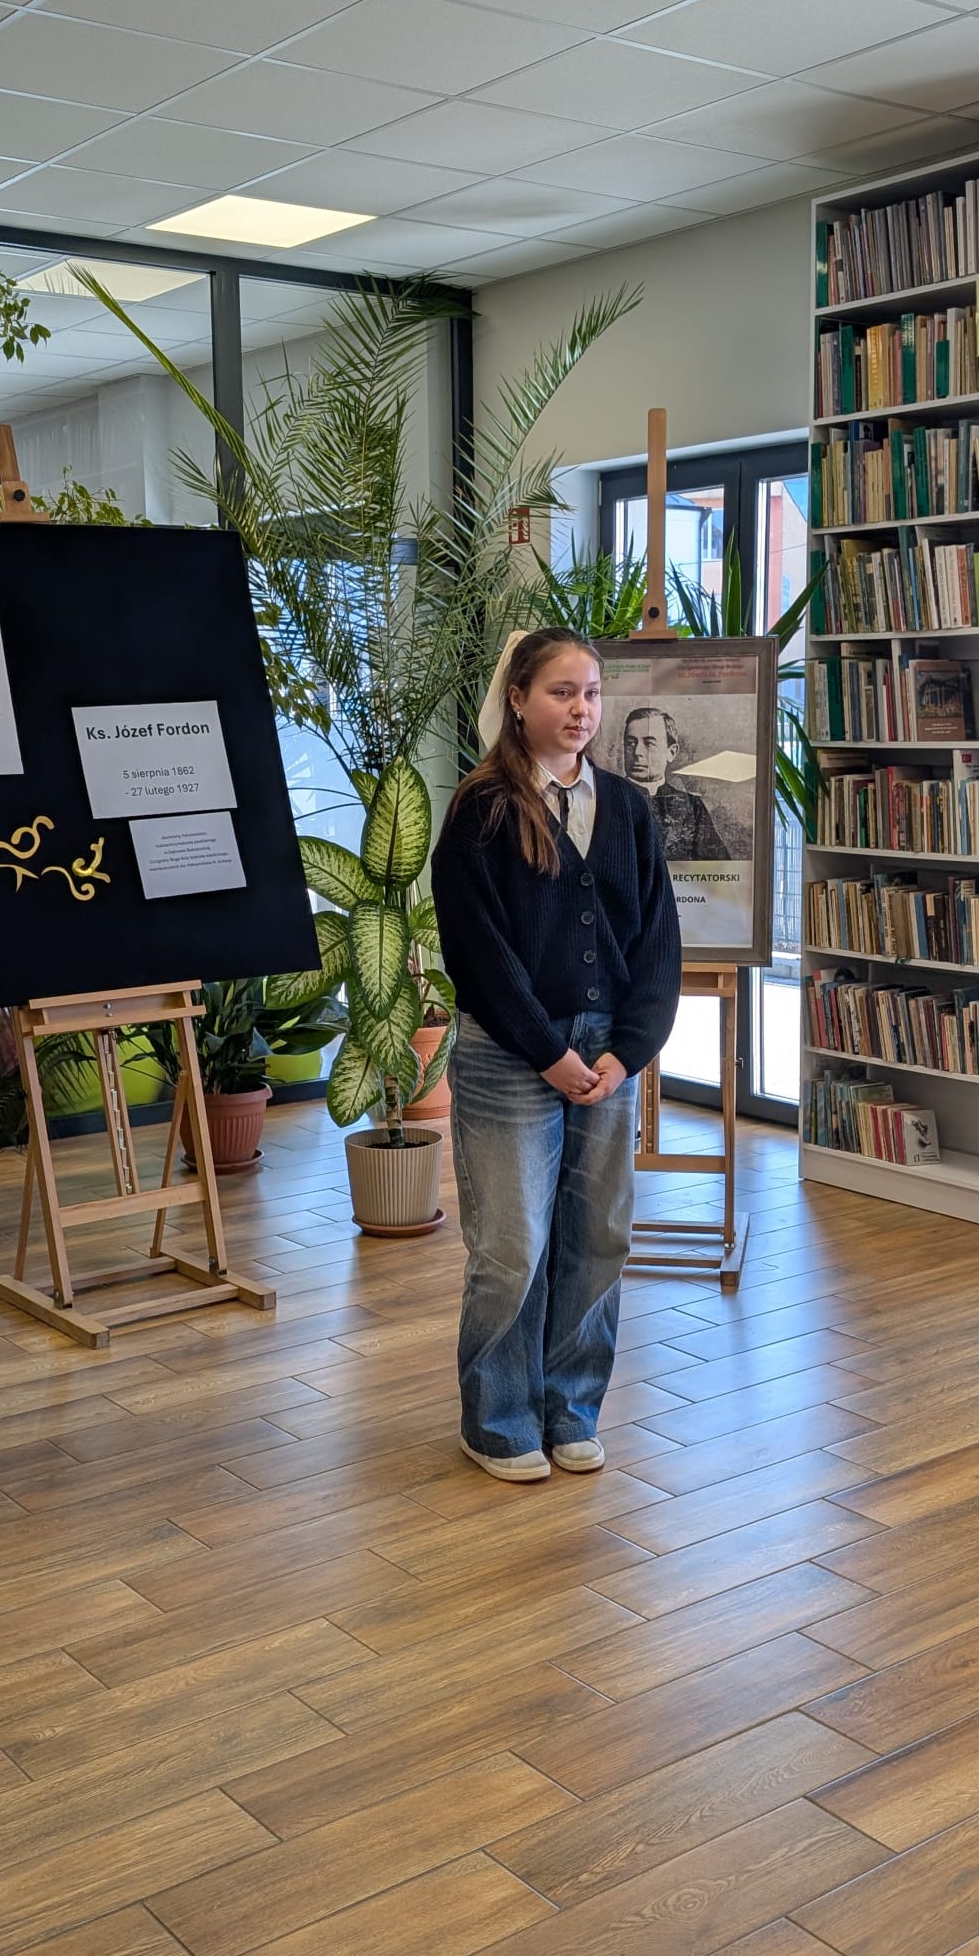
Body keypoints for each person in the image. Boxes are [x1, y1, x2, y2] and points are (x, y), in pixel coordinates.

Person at [430, 630, 681, 1483]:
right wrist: (546, 1051)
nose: (580, 710)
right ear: (518, 699)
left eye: (591, 694)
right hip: (510, 1054)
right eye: (561, 692)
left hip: (606, 1054)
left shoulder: (628, 809)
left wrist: (627, 1052)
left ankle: (570, 1407)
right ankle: (498, 1419)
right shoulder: (482, 808)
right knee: (513, 1246)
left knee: (598, 1236)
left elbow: (657, 942)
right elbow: (477, 952)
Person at [622, 705, 728, 860]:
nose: (637, 752)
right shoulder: (606, 800)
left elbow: (718, 866)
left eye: (649, 743)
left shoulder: (692, 806)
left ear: (671, 752)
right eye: (631, 743)